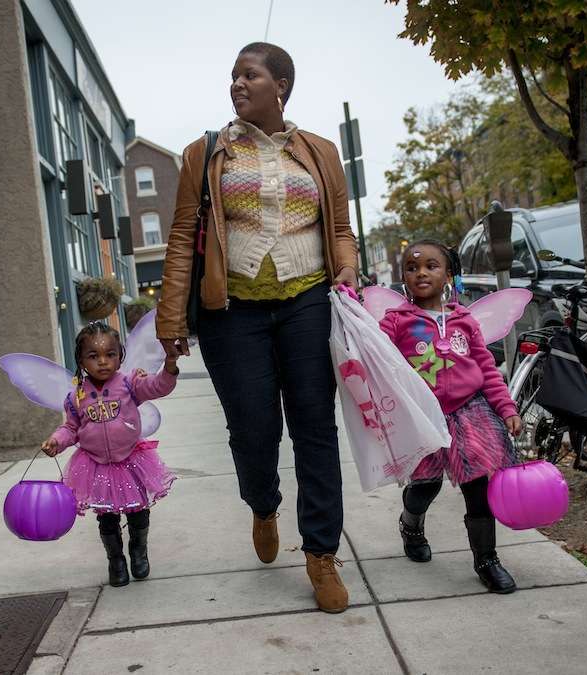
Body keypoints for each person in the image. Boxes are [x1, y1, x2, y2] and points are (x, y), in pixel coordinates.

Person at [155, 42, 359, 613]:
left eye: (251, 75)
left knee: (315, 429)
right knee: (252, 429)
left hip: (308, 303)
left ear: (282, 86)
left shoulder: (318, 151)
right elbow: (179, 240)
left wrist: (346, 267)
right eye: (234, 76)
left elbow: (339, 228)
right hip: (232, 313)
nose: (238, 85)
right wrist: (171, 319)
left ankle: (320, 553)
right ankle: (263, 503)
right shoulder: (206, 153)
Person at [377, 240, 524, 593]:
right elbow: (374, 353)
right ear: (403, 278)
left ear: (449, 275)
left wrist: (506, 408)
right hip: (423, 418)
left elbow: (487, 369)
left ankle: (486, 559)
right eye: (412, 268)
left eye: (431, 266)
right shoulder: (396, 323)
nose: (421, 273)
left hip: (468, 412)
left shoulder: (464, 321)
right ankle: (411, 525)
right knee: (425, 487)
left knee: (477, 486)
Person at [41, 323, 180, 588]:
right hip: (96, 465)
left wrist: (170, 365)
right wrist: (56, 441)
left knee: (138, 512)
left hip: (131, 461)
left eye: (111, 354)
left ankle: (138, 552)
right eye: (93, 356)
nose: (103, 362)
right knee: (107, 517)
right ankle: (116, 561)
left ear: (120, 356)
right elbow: (71, 428)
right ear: (81, 361)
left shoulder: (130, 384)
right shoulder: (76, 397)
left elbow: (158, 386)